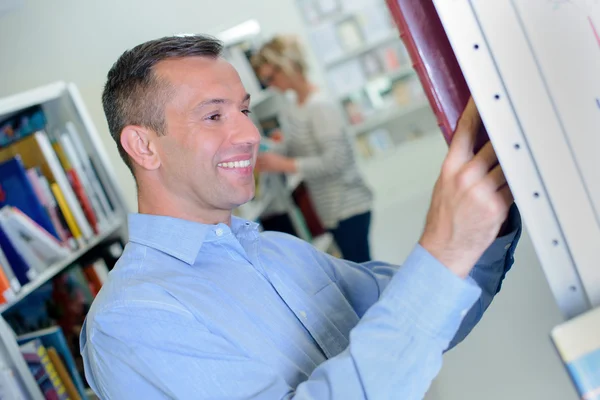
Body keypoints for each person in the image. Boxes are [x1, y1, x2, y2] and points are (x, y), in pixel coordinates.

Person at [80, 34, 522, 399]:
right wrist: (444, 249)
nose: (251, 135)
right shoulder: (130, 319)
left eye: (245, 111)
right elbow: (424, 301)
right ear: (143, 146)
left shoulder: (280, 251)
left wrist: (492, 210)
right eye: (214, 115)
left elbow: (432, 314)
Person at [251, 35, 375, 263]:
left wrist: (285, 165)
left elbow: (335, 161)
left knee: (362, 270)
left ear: (287, 67)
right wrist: (272, 151)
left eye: (271, 77)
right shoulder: (292, 106)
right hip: (330, 208)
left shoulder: (319, 106)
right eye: (265, 80)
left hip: (348, 206)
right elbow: (293, 145)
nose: (270, 85)